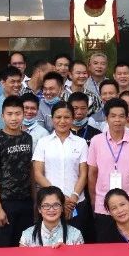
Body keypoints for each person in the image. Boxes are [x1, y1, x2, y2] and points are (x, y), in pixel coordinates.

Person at [86, 99, 129, 240]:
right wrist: (94, 200)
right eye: (113, 116)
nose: (117, 120)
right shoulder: (96, 141)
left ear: (126, 117)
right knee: (106, 246)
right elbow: (92, 174)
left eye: (121, 116)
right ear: (106, 118)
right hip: (103, 205)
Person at [32, 102, 91, 239]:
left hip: (76, 203)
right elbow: (38, 174)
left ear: (72, 118)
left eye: (67, 117)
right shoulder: (44, 142)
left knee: (76, 241)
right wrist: (60, 198)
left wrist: (73, 197)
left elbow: (83, 174)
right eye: (58, 117)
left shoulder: (81, 142)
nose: (62, 121)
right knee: (50, 242)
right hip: (50, 204)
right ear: (52, 118)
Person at [0, 95, 36, 247]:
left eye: (17, 113)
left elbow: (31, 171)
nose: (14, 118)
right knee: (4, 249)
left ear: (23, 114)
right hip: (5, 203)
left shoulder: (28, 138)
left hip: (26, 201)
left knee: (25, 247)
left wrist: (35, 202)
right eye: (9, 114)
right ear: (2, 116)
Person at [19, 187, 85, 247]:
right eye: (46, 205)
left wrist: (67, 251)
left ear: (62, 208)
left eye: (56, 205)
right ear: (39, 209)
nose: (51, 209)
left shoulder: (75, 234)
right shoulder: (27, 235)